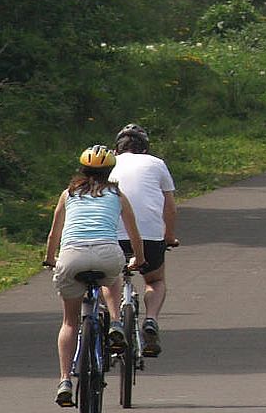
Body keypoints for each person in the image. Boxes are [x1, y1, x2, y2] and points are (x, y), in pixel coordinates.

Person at [44, 145, 144, 408]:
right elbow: (133, 233)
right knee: (111, 277)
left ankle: (65, 380)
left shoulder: (68, 194)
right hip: (107, 252)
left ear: (82, 169)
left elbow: (55, 233)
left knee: (69, 321)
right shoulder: (116, 194)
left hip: (71, 255)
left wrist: (50, 259)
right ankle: (114, 323)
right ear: (110, 171)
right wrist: (140, 259)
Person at [109, 123, 178, 357]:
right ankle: (150, 319)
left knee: (108, 278)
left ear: (116, 149)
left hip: (113, 235)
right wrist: (168, 236)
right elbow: (169, 206)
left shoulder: (107, 164)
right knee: (155, 280)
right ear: (145, 149)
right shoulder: (157, 164)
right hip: (149, 236)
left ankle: (115, 321)